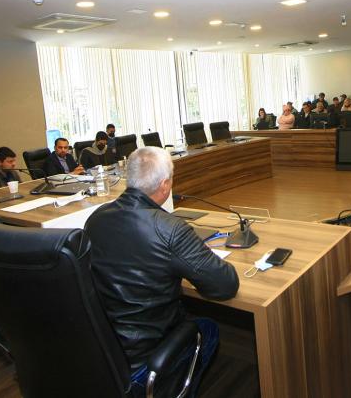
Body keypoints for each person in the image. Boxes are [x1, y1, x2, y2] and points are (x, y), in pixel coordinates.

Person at [84, 147, 239, 397]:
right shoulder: (170, 229)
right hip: (146, 361)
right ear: (165, 185)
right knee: (208, 328)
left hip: (105, 350)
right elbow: (225, 285)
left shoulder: (96, 219)